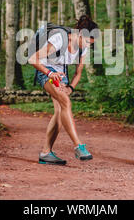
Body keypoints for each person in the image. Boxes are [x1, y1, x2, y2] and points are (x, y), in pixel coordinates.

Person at [28, 15, 99, 165]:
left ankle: (46, 153)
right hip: (46, 70)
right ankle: (78, 146)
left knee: (60, 112)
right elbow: (32, 59)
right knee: (65, 103)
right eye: (86, 42)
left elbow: (78, 72)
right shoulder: (60, 39)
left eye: (90, 44)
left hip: (61, 75)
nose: (87, 46)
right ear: (80, 34)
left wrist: (70, 88)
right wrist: (49, 73)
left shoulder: (82, 49)